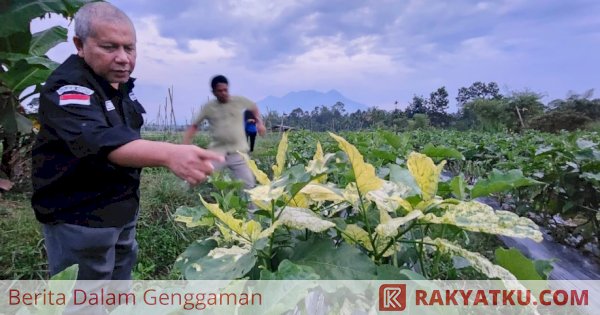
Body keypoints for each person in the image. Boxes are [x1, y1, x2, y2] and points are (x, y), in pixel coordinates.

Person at [31, 2, 223, 281]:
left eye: (129, 48)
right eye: (109, 48)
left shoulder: (121, 87)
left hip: (120, 211)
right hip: (80, 218)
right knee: (81, 302)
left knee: (117, 294)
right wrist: (169, 153)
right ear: (80, 45)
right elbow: (98, 139)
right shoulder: (70, 88)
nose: (123, 58)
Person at [183, 75, 266, 189]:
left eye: (225, 90)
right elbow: (194, 126)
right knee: (196, 177)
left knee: (249, 186)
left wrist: (259, 123)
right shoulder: (209, 107)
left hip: (238, 153)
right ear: (214, 92)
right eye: (220, 91)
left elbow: (253, 107)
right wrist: (185, 146)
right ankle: (183, 197)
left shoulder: (238, 101)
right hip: (217, 152)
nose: (223, 93)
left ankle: (252, 207)